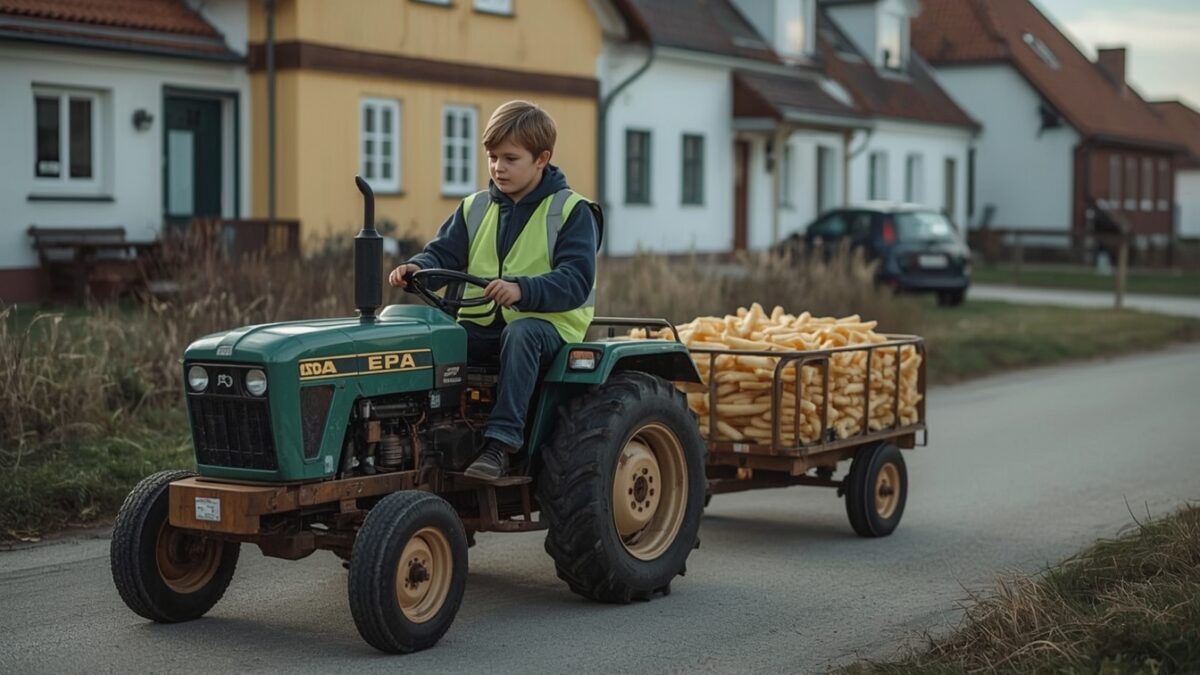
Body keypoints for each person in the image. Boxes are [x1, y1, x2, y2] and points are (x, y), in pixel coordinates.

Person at [388, 100, 598, 482]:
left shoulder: (572, 210)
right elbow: (443, 253)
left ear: (541, 159)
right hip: (484, 325)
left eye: (510, 158)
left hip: (548, 329)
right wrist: (417, 268)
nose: (498, 167)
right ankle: (420, 438)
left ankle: (501, 443)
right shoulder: (475, 207)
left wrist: (522, 290)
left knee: (521, 333)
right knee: (430, 339)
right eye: (492, 157)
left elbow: (576, 280)